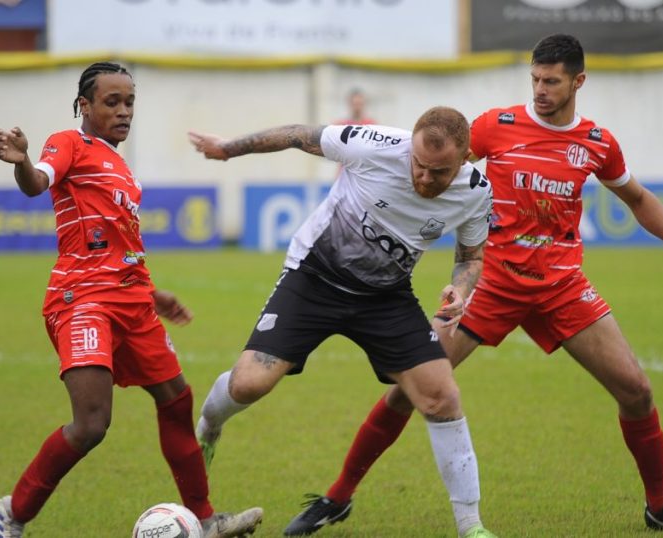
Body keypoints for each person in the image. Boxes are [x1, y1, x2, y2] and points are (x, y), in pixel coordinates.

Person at [283, 34, 663, 536]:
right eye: (535, 79)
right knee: (414, 390)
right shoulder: (496, 126)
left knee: (637, 391)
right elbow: (430, 168)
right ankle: (337, 497)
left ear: (578, 82)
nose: (540, 89)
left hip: (561, 284)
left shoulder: (597, 143)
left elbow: (637, 197)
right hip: (490, 283)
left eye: (552, 81)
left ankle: (660, 505)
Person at [187, 106, 497, 538]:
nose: (424, 179)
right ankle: (210, 425)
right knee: (248, 386)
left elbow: (471, 257)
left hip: (386, 296)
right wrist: (227, 149)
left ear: (464, 159)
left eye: (438, 172)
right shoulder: (375, 145)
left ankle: (471, 527)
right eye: (419, 166)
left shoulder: (477, 192)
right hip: (314, 276)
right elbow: (298, 133)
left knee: (441, 395)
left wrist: (460, 291)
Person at [0, 61, 263, 538]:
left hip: (132, 300)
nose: (123, 111)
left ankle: (205, 518)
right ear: (84, 105)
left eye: (129, 102)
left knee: (177, 400)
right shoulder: (69, 143)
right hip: (83, 301)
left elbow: (117, 242)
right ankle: (14, 511)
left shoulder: (121, 169)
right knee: (92, 424)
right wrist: (23, 162)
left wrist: (153, 293)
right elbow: (39, 182)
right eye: (111, 102)